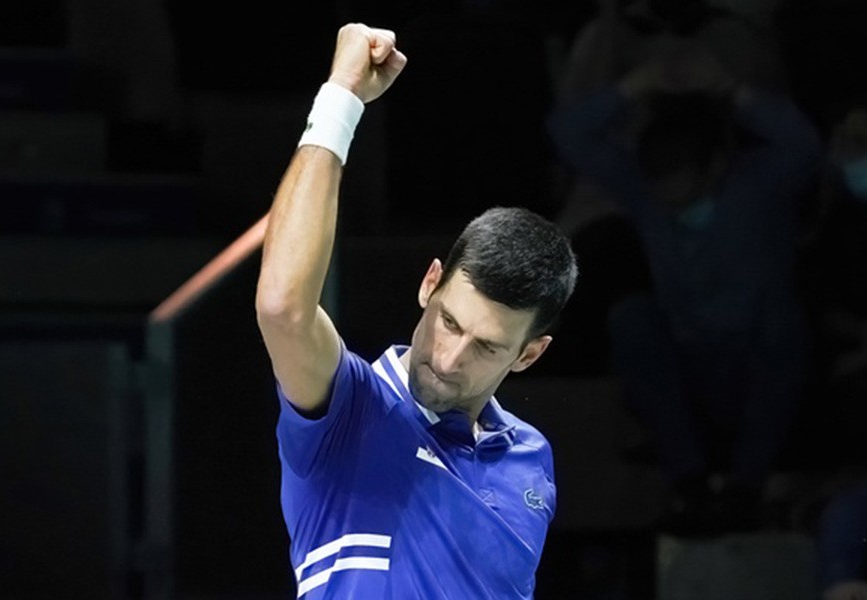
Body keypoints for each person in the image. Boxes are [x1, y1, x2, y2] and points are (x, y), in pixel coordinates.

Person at [255, 23, 579, 598]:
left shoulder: (532, 461)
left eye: (486, 347)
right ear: (431, 283)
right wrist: (341, 98)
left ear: (530, 354)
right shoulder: (349, 408)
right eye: (450, 322)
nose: (450, 359)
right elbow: (282, 306)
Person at [547, 47, 822, 536]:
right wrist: (635, 85)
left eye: (684, 191)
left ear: (714, 168)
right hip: (690, 366)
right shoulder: (645, 192)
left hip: (760, 367)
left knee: (785, 327)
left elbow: (805, 145)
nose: (672, 206)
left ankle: (743, 490)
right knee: (631, 318)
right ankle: (690, 485)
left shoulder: (758, 185)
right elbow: (568, 131)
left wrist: (731, 89)